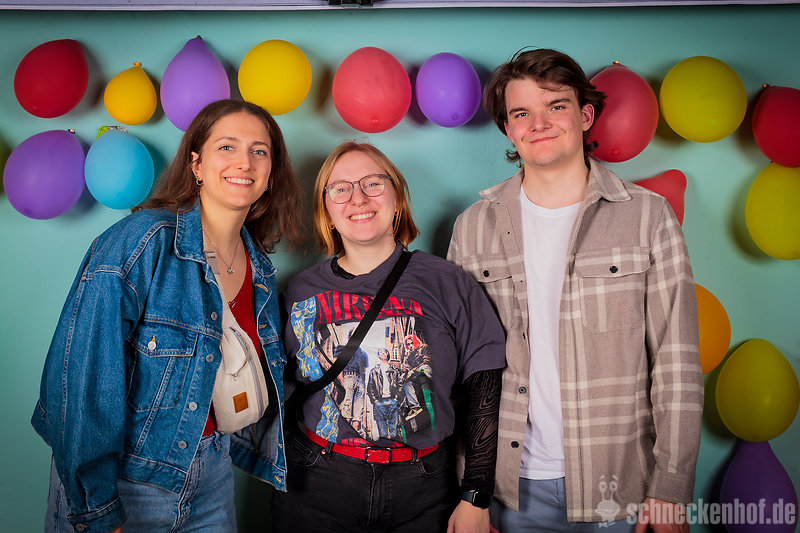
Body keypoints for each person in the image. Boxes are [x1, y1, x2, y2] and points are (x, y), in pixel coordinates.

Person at [447, 48, 703, 533]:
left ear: (585, 116)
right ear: (508, 129)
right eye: (522, 113)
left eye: (556, 106)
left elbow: (677, 363)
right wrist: (469, 491)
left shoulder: (648, 217)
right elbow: (463, 371)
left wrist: (671, 487)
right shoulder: (473, 228)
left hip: (622, 490)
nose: (539, 124)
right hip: (509, 492)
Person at [32, 99, 304, 533]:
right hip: (128, 479)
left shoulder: (262, 270)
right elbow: (82, 378)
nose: (245, 162)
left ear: (271, 173)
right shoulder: (141, 243)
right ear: (196, 165)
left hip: (212, 474)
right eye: (227, 147)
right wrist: (97, 507)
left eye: (259, 151)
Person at [271, 141, 506, 533]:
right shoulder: (298, 293)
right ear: (327, 212)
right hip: (316, 481)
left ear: (397, 200)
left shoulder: (447, 282)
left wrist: (476, 495)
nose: (358, 198)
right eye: (340, 189)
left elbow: (484, 383)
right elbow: (276, 389)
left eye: (373, 184)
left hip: (424, 487)